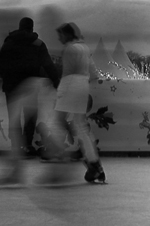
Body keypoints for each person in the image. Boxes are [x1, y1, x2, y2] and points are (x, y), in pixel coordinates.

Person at [0, 16, 60, 186]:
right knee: (31, 116)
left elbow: (1, 64)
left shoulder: (9, 43)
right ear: (32, 28)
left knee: (14, 121)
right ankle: (28, 146)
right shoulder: (37, 44)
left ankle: (16, 150)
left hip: (12, 87)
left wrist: (7, 81)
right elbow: (48, 64)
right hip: (30, 85)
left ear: (19, 27)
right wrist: (56, 82)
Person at [48, 22, 105, 184]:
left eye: (60, 35)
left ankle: (62, 160)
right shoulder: (85, 48)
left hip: (70, 85)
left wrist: (60, 92)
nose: (59, 38)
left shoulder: (68, 49)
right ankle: (94, 162)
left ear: (66, 35)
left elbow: (67, 73)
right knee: (80, 125)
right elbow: (93, 73)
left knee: (56, 122)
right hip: (83, 86)